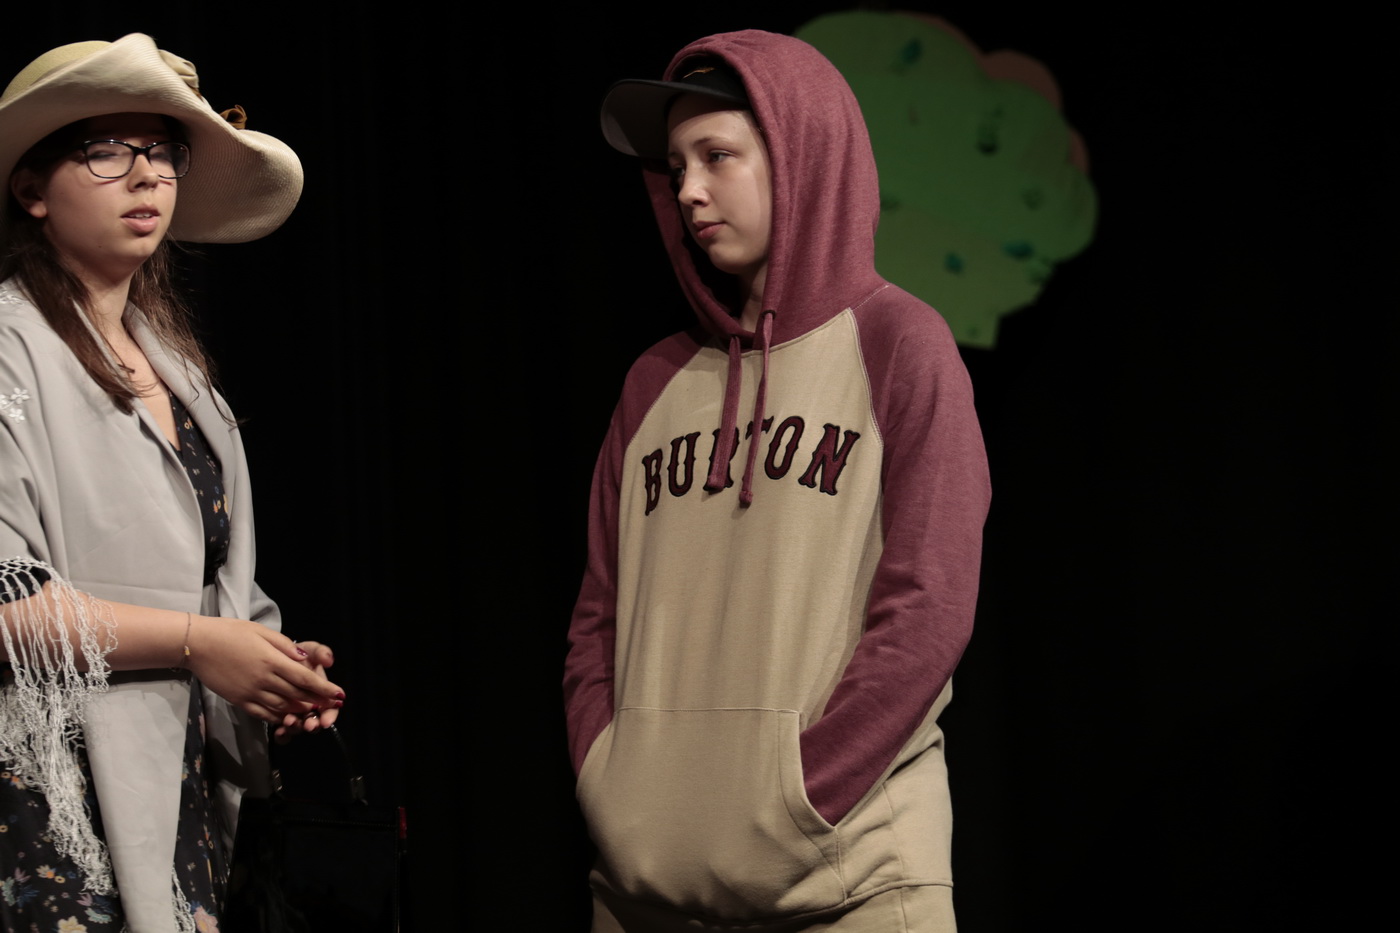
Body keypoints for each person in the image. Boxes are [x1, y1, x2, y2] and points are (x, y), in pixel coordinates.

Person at [564, 30, 991, 932]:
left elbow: (929, 605)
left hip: (853, 883)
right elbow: (597, 620)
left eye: (717, 156)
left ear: (802, 156)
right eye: (676, 166)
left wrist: (801, 796)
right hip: (646, 894)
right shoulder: (653, 384)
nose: (689, 189)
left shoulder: (900, 347)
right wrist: (612, 782)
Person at [0, 34, 342, 933]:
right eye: (105, 150)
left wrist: (268, 663)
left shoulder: (183, 377)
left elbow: (213, 581)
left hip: (177, 780)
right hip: (46, 799)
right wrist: (198, 643)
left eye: (161, 151)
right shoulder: (7, 350)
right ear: (32, 188)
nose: (146, 173)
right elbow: (6, 604)